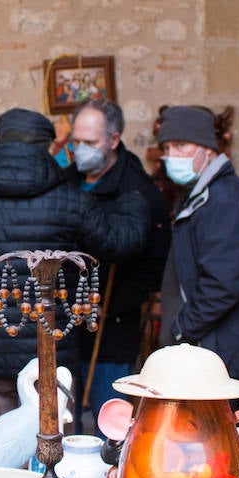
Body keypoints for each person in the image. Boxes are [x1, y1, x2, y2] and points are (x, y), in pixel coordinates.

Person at [0, 107, 150, 429]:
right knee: (54, 461)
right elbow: (119, 243)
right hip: (51, 358)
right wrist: (134, 202)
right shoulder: (70, 200)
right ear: (49, 147)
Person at [156, 105, 239, 384]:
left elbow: (223, 283)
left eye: (181, 145)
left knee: (216, 426)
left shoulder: (222, 198)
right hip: (212, 344)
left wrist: (182, 328)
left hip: (217, 346)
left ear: (208, 149)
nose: (172, 156)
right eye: (167, 148)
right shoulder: (202, 193)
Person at [64, 98, 171, 424]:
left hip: (112, 325)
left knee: (108, 424)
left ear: (113, 140)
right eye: (76, 141)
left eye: (90, 142)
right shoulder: (66, 181)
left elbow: (155, 264)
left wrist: (112, 306)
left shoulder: (137, 191)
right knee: (62, 421)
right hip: (66, 324)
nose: (80, 149)